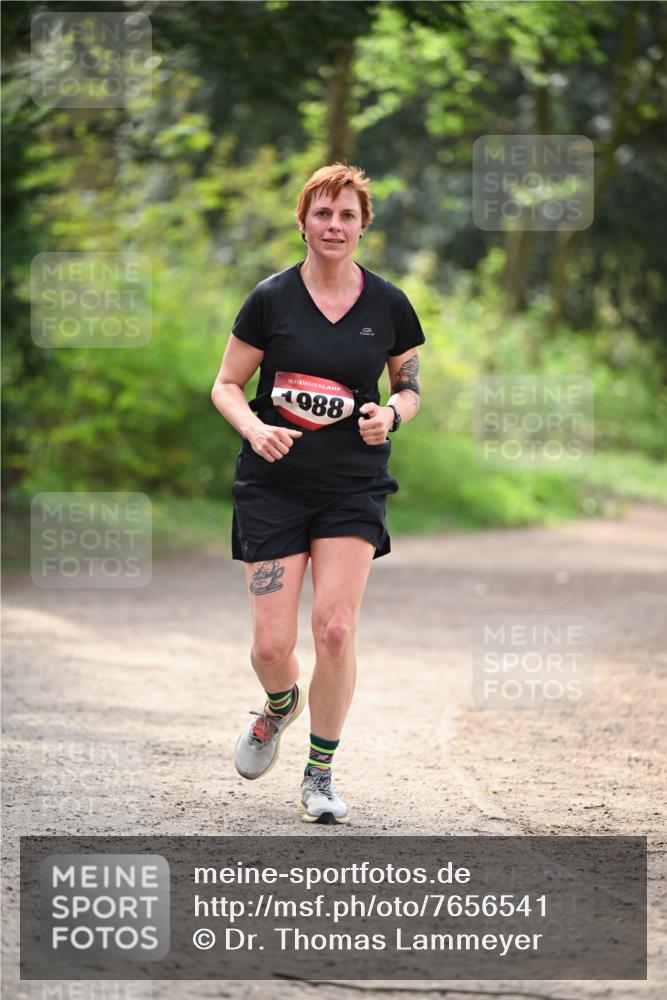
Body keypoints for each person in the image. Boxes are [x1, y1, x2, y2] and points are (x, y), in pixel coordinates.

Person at [210, 162, 424, 824]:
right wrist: (253, 425)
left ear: (364, 226)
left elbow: (409, 386)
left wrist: (390, 416)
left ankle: (320, 774)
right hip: (273, 486)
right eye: (323, 214)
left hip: (350, 487)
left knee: (335, 627)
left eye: (347, 215)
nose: (335, 226)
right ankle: (279, 706)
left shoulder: (387, 305)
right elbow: (224, 384)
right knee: (271, 650)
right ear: (303, 221)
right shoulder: (270, 299)